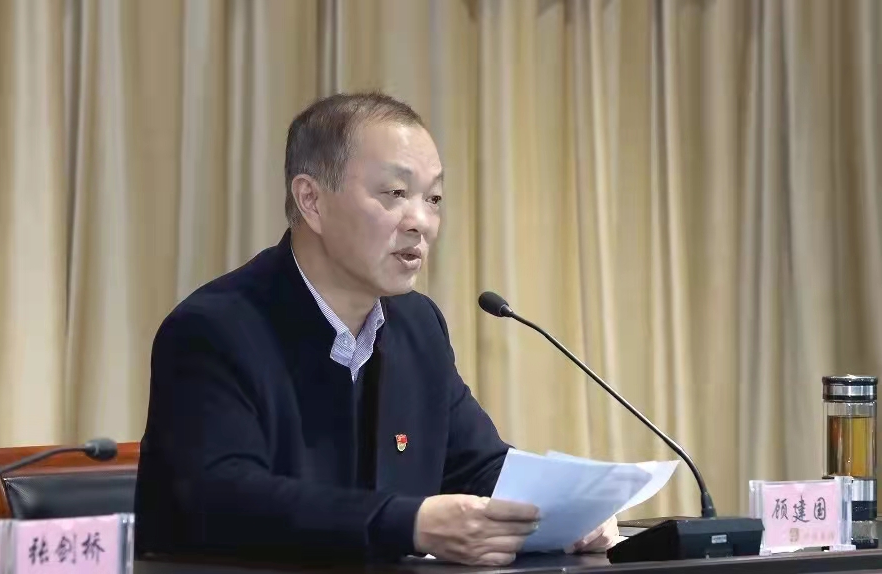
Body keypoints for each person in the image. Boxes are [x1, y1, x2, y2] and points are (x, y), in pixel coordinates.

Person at [133, 92, 619, 566]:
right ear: (311, 200)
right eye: (396, 194)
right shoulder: (214, 329)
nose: (422, 222)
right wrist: (410, 523)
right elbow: (224, 499)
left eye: (434, 198)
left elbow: (477, 465)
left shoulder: (417, 325)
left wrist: (567, 511)